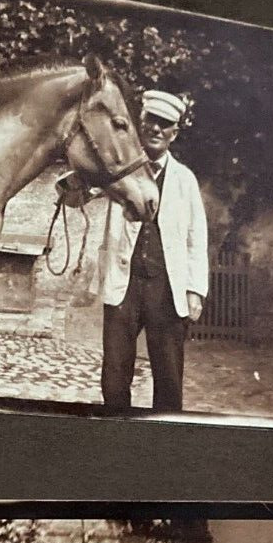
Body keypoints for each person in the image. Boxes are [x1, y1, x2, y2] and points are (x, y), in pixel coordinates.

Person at [61, 87, 210, 413]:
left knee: (169, 376)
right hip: (123, 283)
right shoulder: (119, 168)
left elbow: (196, 238)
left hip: (166, 288)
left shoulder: (185, 180)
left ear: (175, 132)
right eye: (150, 121)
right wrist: (76, 184)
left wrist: (195, 290)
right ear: (139, 123)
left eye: (165, 124)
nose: (156, 129)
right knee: (115, 373)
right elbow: (75, 197)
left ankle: (166, 436)